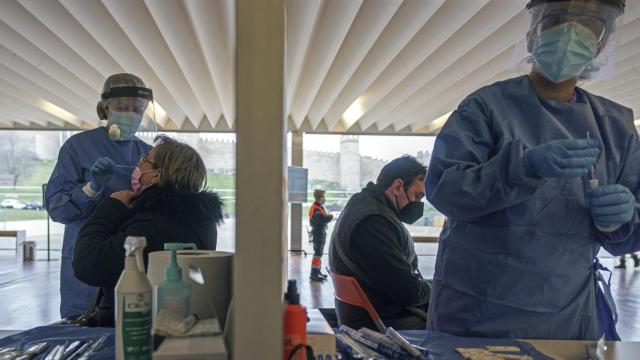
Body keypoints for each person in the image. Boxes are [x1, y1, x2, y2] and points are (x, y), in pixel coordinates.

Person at [426, 0, 639, 340]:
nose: (571, 34)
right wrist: (520, 168)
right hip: (477, 313)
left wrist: (619, 220)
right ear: (532, 37)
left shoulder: (616, 127)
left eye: (588, 25)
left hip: (567, 315)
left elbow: (629, 233)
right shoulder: (485, 108)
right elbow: (446, 191)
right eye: (558, 22)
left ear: (600, 45)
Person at [73, 136, 224, 326]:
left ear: (156, 175)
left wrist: (111, 207)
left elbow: (88, 265)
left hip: (129, 325)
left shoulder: (151, 224)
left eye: (144, 160)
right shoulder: (201, 221)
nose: (139, 164)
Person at [45, 73, 153, 318]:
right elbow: (57, 208)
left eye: (137, 109)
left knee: (131, 322)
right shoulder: (78, 147)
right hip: (88, 253)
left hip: (132, 255)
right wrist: (91, 188)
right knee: (83, 327)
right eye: (122, 108)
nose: (131, 115)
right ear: (106, 109)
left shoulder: (148, 153)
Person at [329, 155, 431, 330]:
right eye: (417, 196)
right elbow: (408, 292)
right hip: (386, 324)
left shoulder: (361, 206)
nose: (418, 204)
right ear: (398, 186)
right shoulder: (374, 222)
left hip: (374, 314)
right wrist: (438, 287)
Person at [309, 189, 334, 282]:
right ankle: (314, 273)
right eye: (323, 196)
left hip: (320, 233)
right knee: (317, 254)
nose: (324, 199)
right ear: (319, 197)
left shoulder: (318, 207)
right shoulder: (316, 208)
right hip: (318, 233)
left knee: (319, 254)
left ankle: (317, 271)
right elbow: (322, 219)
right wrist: (330, 216)